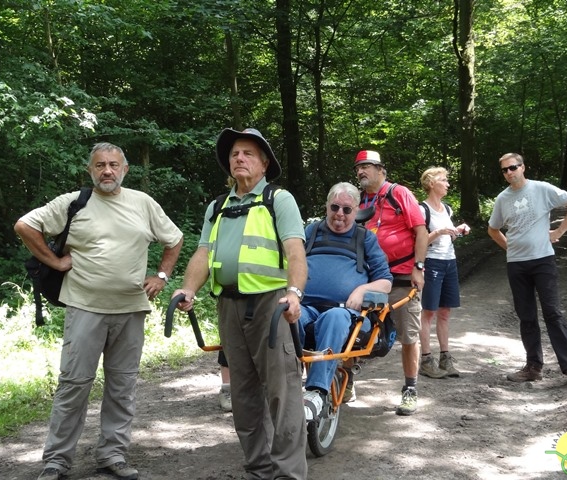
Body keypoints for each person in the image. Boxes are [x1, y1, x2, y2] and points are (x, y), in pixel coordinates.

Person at [15, 142, 184, 480]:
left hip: (131, 309)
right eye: (100, 165)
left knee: (122, 386)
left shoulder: (143, 203)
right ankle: (57, 460)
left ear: (125, 169)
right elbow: (25, 226)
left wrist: (162, 276)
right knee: (74, 384)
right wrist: (54, 260)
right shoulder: (73, 203)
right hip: (85, 307)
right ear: (90, 170)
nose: (107, 170)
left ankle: (113, 455)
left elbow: (174, 238)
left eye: (114, 164)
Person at [172, 128, 308, 480]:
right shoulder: (218, 206)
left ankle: (288, 473)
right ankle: (257, 468)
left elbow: (295, 250)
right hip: (229, 306)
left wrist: (294, 293)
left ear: (264, 163)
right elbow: (203, 253)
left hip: (271, 305)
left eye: (248, 153)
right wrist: (187, 289)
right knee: (243, 394)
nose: (239, 158)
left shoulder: (279, 199)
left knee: (283, 393)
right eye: (234, 154)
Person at [488, 153, 567, 388]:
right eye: (504, 170)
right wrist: (509, 248)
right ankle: (533, 367)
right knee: (526, 316)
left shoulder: (541, 189)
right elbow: (493, 230)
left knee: (553, 313)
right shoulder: (503, 199)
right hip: (516, 264)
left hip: (543, 260)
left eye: (513, 167)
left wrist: (558, 232)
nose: (509, 172)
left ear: (523, 167)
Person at [299, 182, 393, 419]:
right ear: (327, 207)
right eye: (335, 207)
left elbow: (385, 281)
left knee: (334, 316)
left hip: (348, 315)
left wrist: (362, 290)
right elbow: (292, 265)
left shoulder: (364, 238)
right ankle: (286, 386)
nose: (340, 214)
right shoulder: (311, 232)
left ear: (356, 210)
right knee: (287, 316)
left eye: (347, 209)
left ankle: (316, 392)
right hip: (307, 308)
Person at [354, 150, 429, 415]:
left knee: (408, 335)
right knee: (355, 329)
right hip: (370, 279)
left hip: (401, 277)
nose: (361, 172)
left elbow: (421, 231)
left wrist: (418, 268)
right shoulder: (360, 200)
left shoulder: (399, 193)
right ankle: (346, 378)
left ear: (380, 169)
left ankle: (410, 389)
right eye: (358, 168)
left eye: (366, 167)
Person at [418, 167, 470, 379]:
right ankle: (426, 360)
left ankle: (445, 359)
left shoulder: (447, 209)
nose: (448, 184)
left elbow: (449, 238)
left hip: (450, 262)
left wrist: (457, 231)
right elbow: (419, 242)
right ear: (431, 183)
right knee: (428, 312)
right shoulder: (422, 210)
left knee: (445, 311)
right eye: (443, 180)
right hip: (432, 263)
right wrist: (438, 232)